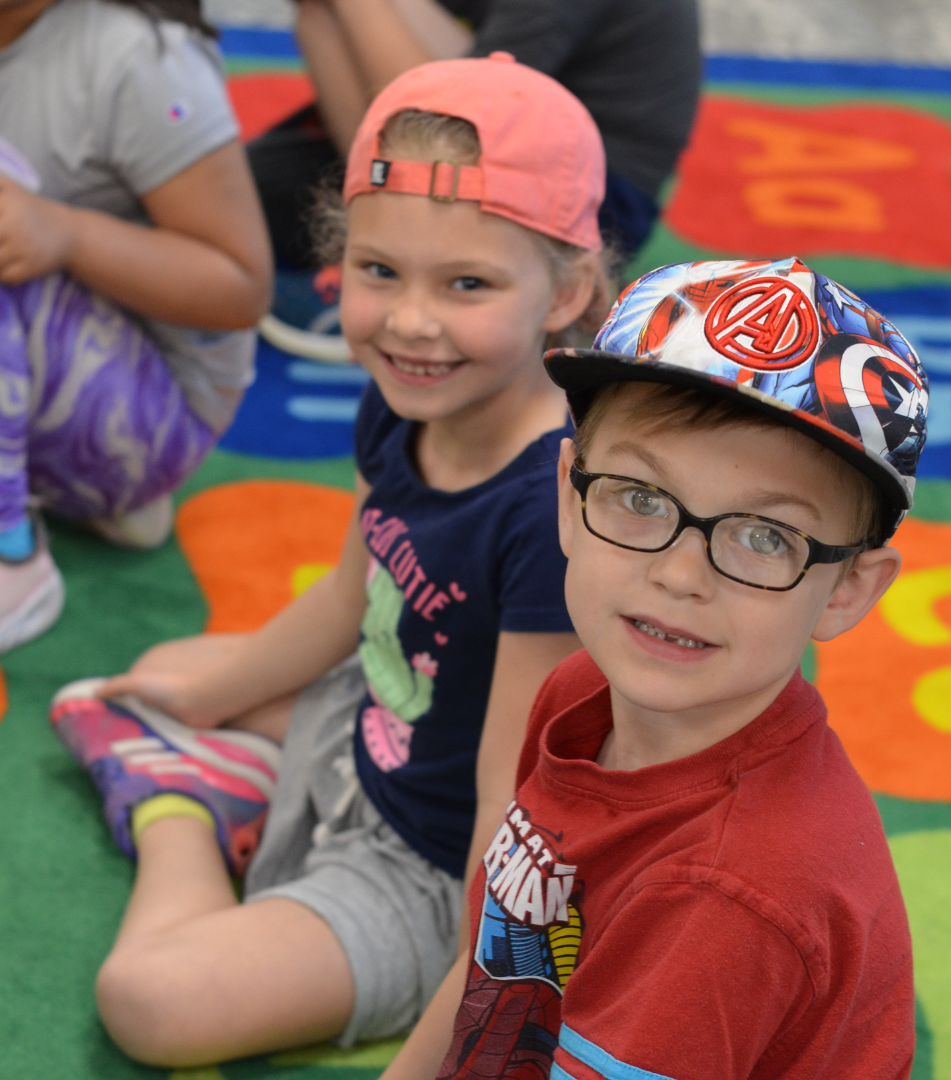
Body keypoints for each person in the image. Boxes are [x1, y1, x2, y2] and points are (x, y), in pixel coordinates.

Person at [49, 55, 610, 1067]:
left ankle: (181, 805)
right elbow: (359, 591)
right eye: (379, 271)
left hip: (439, 872)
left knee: (148, 1001)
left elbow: (514, 807)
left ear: (569, 288)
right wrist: (211, 695)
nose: (410, 321)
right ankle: (224, 750)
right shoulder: (408, 395)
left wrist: (457, 1029)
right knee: (176, 669)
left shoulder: (548, 513)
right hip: (379, 723)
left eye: (468, 283)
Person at [379, 257, 929, 1080]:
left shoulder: (726, 894)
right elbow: (498, 972)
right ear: (569, 497)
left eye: (765, 536)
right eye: (639, 497)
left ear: (848, 589)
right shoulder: (579, 693)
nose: (680, 573)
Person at [0, 0, 273, 654]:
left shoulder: (136, 59)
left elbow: (242, 286)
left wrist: (64, 234)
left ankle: (13, 553)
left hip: (158, 410)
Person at [251, 0, 700, 267]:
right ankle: (380, 197)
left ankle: (386, 208)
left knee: (243, 209)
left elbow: (465, 112)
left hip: (597, 191)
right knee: (246, 192)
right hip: (494, 114)